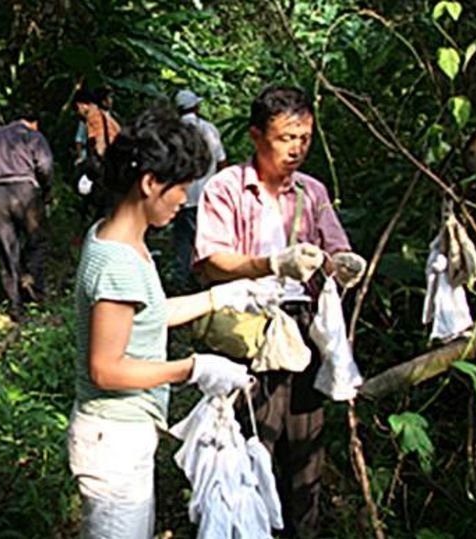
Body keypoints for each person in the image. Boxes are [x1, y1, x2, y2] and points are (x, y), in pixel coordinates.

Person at [68, 106, 279, 538]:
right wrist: (192, 368)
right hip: (113, 439)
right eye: (180, 188)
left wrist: (218, 296)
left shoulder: (118, 237)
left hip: (124, 435)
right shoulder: (118, 264)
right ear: (150, 184)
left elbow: (148, 316)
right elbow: (105, 368)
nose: (185, 199)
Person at [194, 85, 367, 538]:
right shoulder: (227, 188)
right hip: (247, 330)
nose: (297, 148)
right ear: (256, 135)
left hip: (303, 330)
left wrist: (341, 267)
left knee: (305, 450)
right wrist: (270, 264)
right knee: (252, 442)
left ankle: (301, 530)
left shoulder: (312, 192)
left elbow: (334, 248)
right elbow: (212, 262)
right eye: (286, 137)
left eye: (305, 138)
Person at [0, 110, 53, 320]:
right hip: (26, 191)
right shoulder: (33, 136)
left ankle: (15, 306)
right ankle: (34, 289)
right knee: (37, 241)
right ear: (33, 122)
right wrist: (46, 191)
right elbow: (45, 167)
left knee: (6, 248)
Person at [171, 89, 227, 290]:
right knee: (205, 238)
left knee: (183, 240)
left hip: (180, 197)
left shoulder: (173, 132)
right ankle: (206, 278)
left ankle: (183, 279)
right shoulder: (209, 130)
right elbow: (222, 162)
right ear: (196, 107)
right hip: (207, 195)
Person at [72, 88, 121, 220]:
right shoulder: (108, 118)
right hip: (114, 165)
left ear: (81, 105)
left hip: (104, 166)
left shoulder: (93, 116)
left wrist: (93, 164)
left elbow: (99, 142)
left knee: (102, 208)